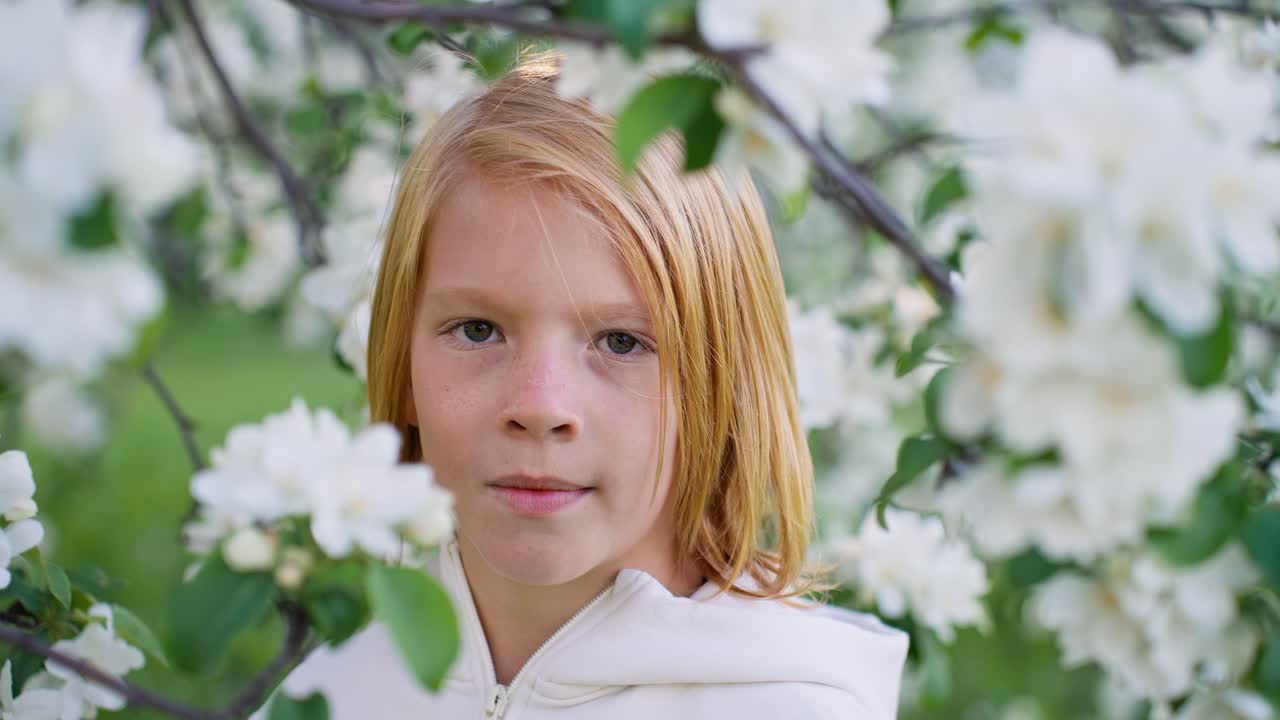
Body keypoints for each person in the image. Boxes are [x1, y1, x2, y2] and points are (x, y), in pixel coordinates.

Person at [274, 50, 908, 719]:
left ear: (721, 387)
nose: (539, 406)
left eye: (621, 342)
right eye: (478, 330)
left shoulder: (785, 706)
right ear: (401, 365)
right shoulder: (333, 694)